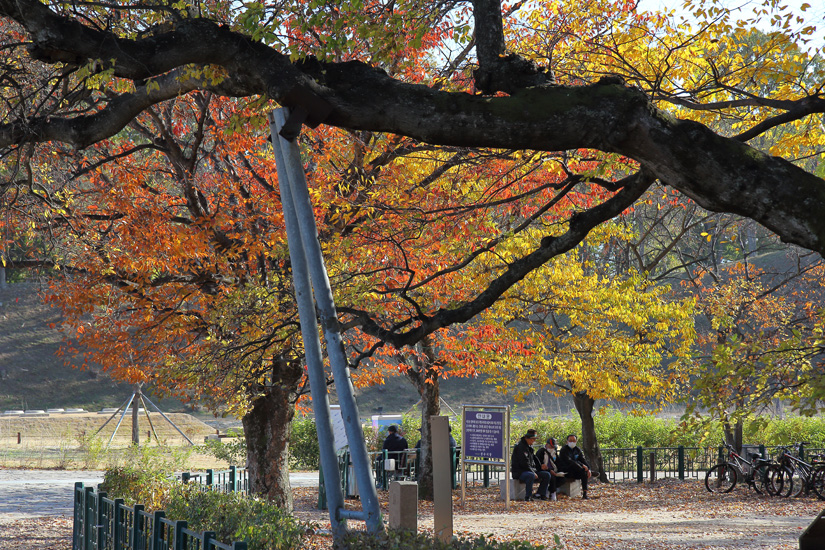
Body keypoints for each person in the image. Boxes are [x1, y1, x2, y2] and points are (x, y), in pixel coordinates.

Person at [510, 428, 552, 501]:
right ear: (527, 438)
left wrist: (541, 466)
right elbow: (524, 463)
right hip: (520, 471)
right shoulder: (520, 447)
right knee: (531, 475)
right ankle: (528, 496)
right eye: (533, 439)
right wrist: (533, 472)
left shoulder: (530, 447)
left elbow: (534, 458)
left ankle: (541, 494)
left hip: (530, 469)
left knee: (546, 475)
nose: (534, 441)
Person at [557, 434, 596, 499]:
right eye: (570, 440)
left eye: (574, 440)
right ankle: (588, 472)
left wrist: (588, 468)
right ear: (567, 441)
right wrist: (582, 465)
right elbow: (569, 461)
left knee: (584, 473)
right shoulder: (564, 450)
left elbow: (583, 460)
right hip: (566, 470)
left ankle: (585, 494)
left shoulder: (577, 450)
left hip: (577, 471)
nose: (572, 442)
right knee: (575, 466)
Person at [535, 437, 565, 501]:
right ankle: (553, 492)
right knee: (551, 476)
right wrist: (549, 470)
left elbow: (558, 463)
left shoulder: (554, 453)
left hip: (553, 470)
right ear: (547, 444)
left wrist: (560, 471)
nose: (552, 448)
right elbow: (539, 465)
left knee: (562, 478)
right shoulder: (541, 452)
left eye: (553, 447)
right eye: (551, 446)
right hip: (543, 471)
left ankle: (549, 490)